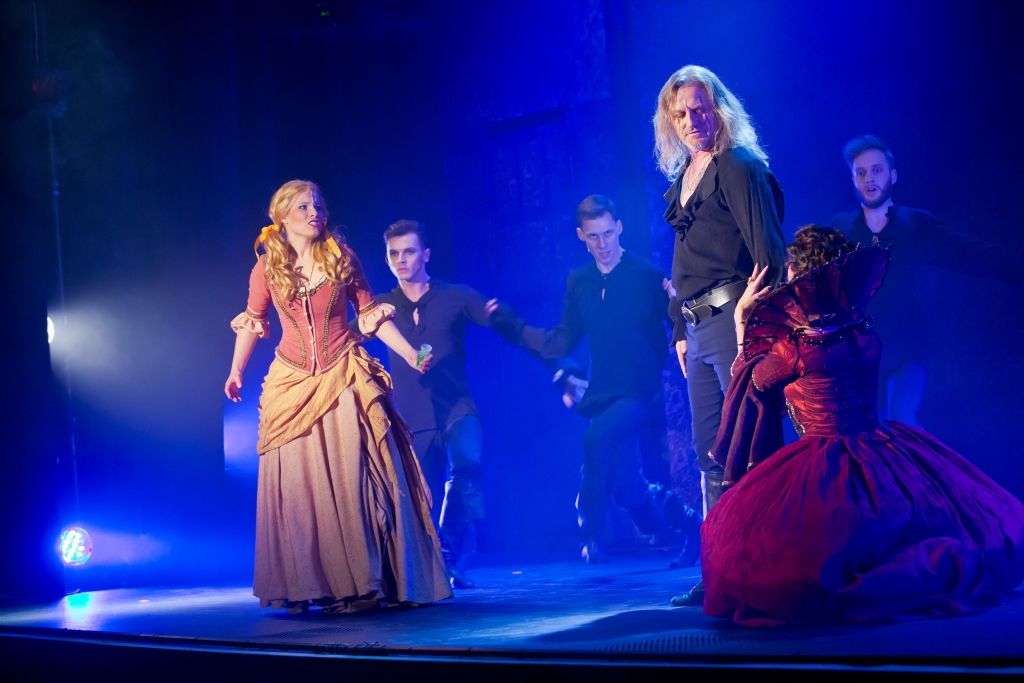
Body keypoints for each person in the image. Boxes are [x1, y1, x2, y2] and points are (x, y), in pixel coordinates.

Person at [690, 225, 1024, 624]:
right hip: (882, 448)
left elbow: (748, 383)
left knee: (753, 553)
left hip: (823, 461)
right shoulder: (864, 330)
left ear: (802, 279)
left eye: (791, 271)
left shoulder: (795, 348)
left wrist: (742, 322)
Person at [225, 180, 452, 615]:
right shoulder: (267, 268)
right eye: (303, 206)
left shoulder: (341, 257)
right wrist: (235, 371)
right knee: (298, 488)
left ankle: (360, 584)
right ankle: (309, 584)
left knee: (353, 480)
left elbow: (370, 316)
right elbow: (253, 321)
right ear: (282, 216)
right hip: (291, 382)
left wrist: (409, 354)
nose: (315, 212)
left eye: (318, 205)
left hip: (343, 371)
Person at [489, 195, 702, 565]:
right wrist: (512, 327)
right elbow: (560, 341)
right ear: (581, 236)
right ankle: (694, 527)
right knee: (628, 490)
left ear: (619, 227)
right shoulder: (580, 282)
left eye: (607, 233)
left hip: (640, 393)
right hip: (604, 393)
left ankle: (590, 533)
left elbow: (680, 324)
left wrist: (682, 306)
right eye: (593, 236)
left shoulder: (646, 276)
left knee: (595, 438)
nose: (602, 244)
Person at [654, 65, 786, 601]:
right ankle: (721, 571)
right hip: (697, 327)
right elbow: (684, 265)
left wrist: (752, 316)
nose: (692, 120)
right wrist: (678, 330)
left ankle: (768, 567)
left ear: (718, 109)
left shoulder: (737, 165)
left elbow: (770, 254)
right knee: (710, 451)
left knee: (750, 446)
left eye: (700, 109)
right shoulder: (687, 175)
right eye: (680, 114)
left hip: (735, 322)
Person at [830, 135, 1022, 426]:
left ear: (893, 175)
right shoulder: (841, 227)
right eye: (861, 172)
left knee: (902, 419)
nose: (869, 178)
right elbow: (817, 278)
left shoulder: (915, 224)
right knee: (874, 429)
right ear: (853, 179)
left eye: (877, 170)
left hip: (908, 342)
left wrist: (1016, 268)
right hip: (863, 349)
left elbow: (967, 251)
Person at [367, 219, 503, 589]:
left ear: (425, 254)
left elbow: (494, 314)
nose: (401, 259)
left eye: (409, 251)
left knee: (466, 465)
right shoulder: (381, 306)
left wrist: (505, 317)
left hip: (457, 408)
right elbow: (348, 334)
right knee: (416, 497)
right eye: (394, 254)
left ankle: (448, 555)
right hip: (412, 418)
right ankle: (425, 565)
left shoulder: (453, 295)